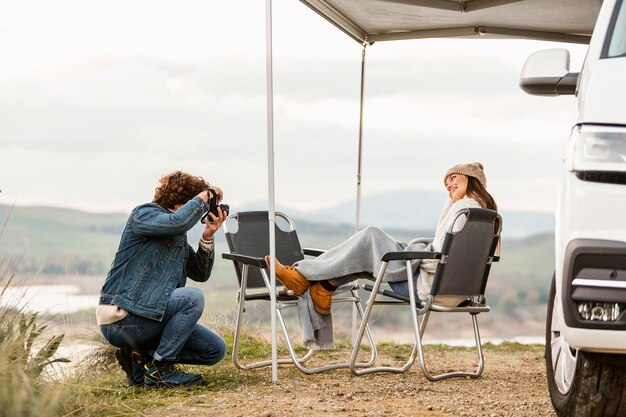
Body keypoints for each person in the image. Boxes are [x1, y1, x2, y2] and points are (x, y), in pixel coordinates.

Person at [268, 162, 497, 315]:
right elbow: (453, 256)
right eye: (446, 183)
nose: (449, 185)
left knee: (371, 235)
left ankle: (301, 275)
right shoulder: (486, 217)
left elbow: (438, 260)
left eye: (454, 178)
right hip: (458, 294)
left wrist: (415, 254)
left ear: (471, 178)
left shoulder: (463, 211)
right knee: (371, 255)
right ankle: (323, 287)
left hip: (426, 290)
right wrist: (420, 249)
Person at [96, 171, 228, 388]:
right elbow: (178, 222)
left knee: (214, 350)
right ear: (180, 203)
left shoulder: (177, 235)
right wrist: (207, 195)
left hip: (150, 316)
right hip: (123, 320)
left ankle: (139, 358)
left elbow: (200, 274)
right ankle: (160, 370)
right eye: (197, 204)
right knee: (191, 297)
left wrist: (207, 237)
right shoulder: (143, 214)